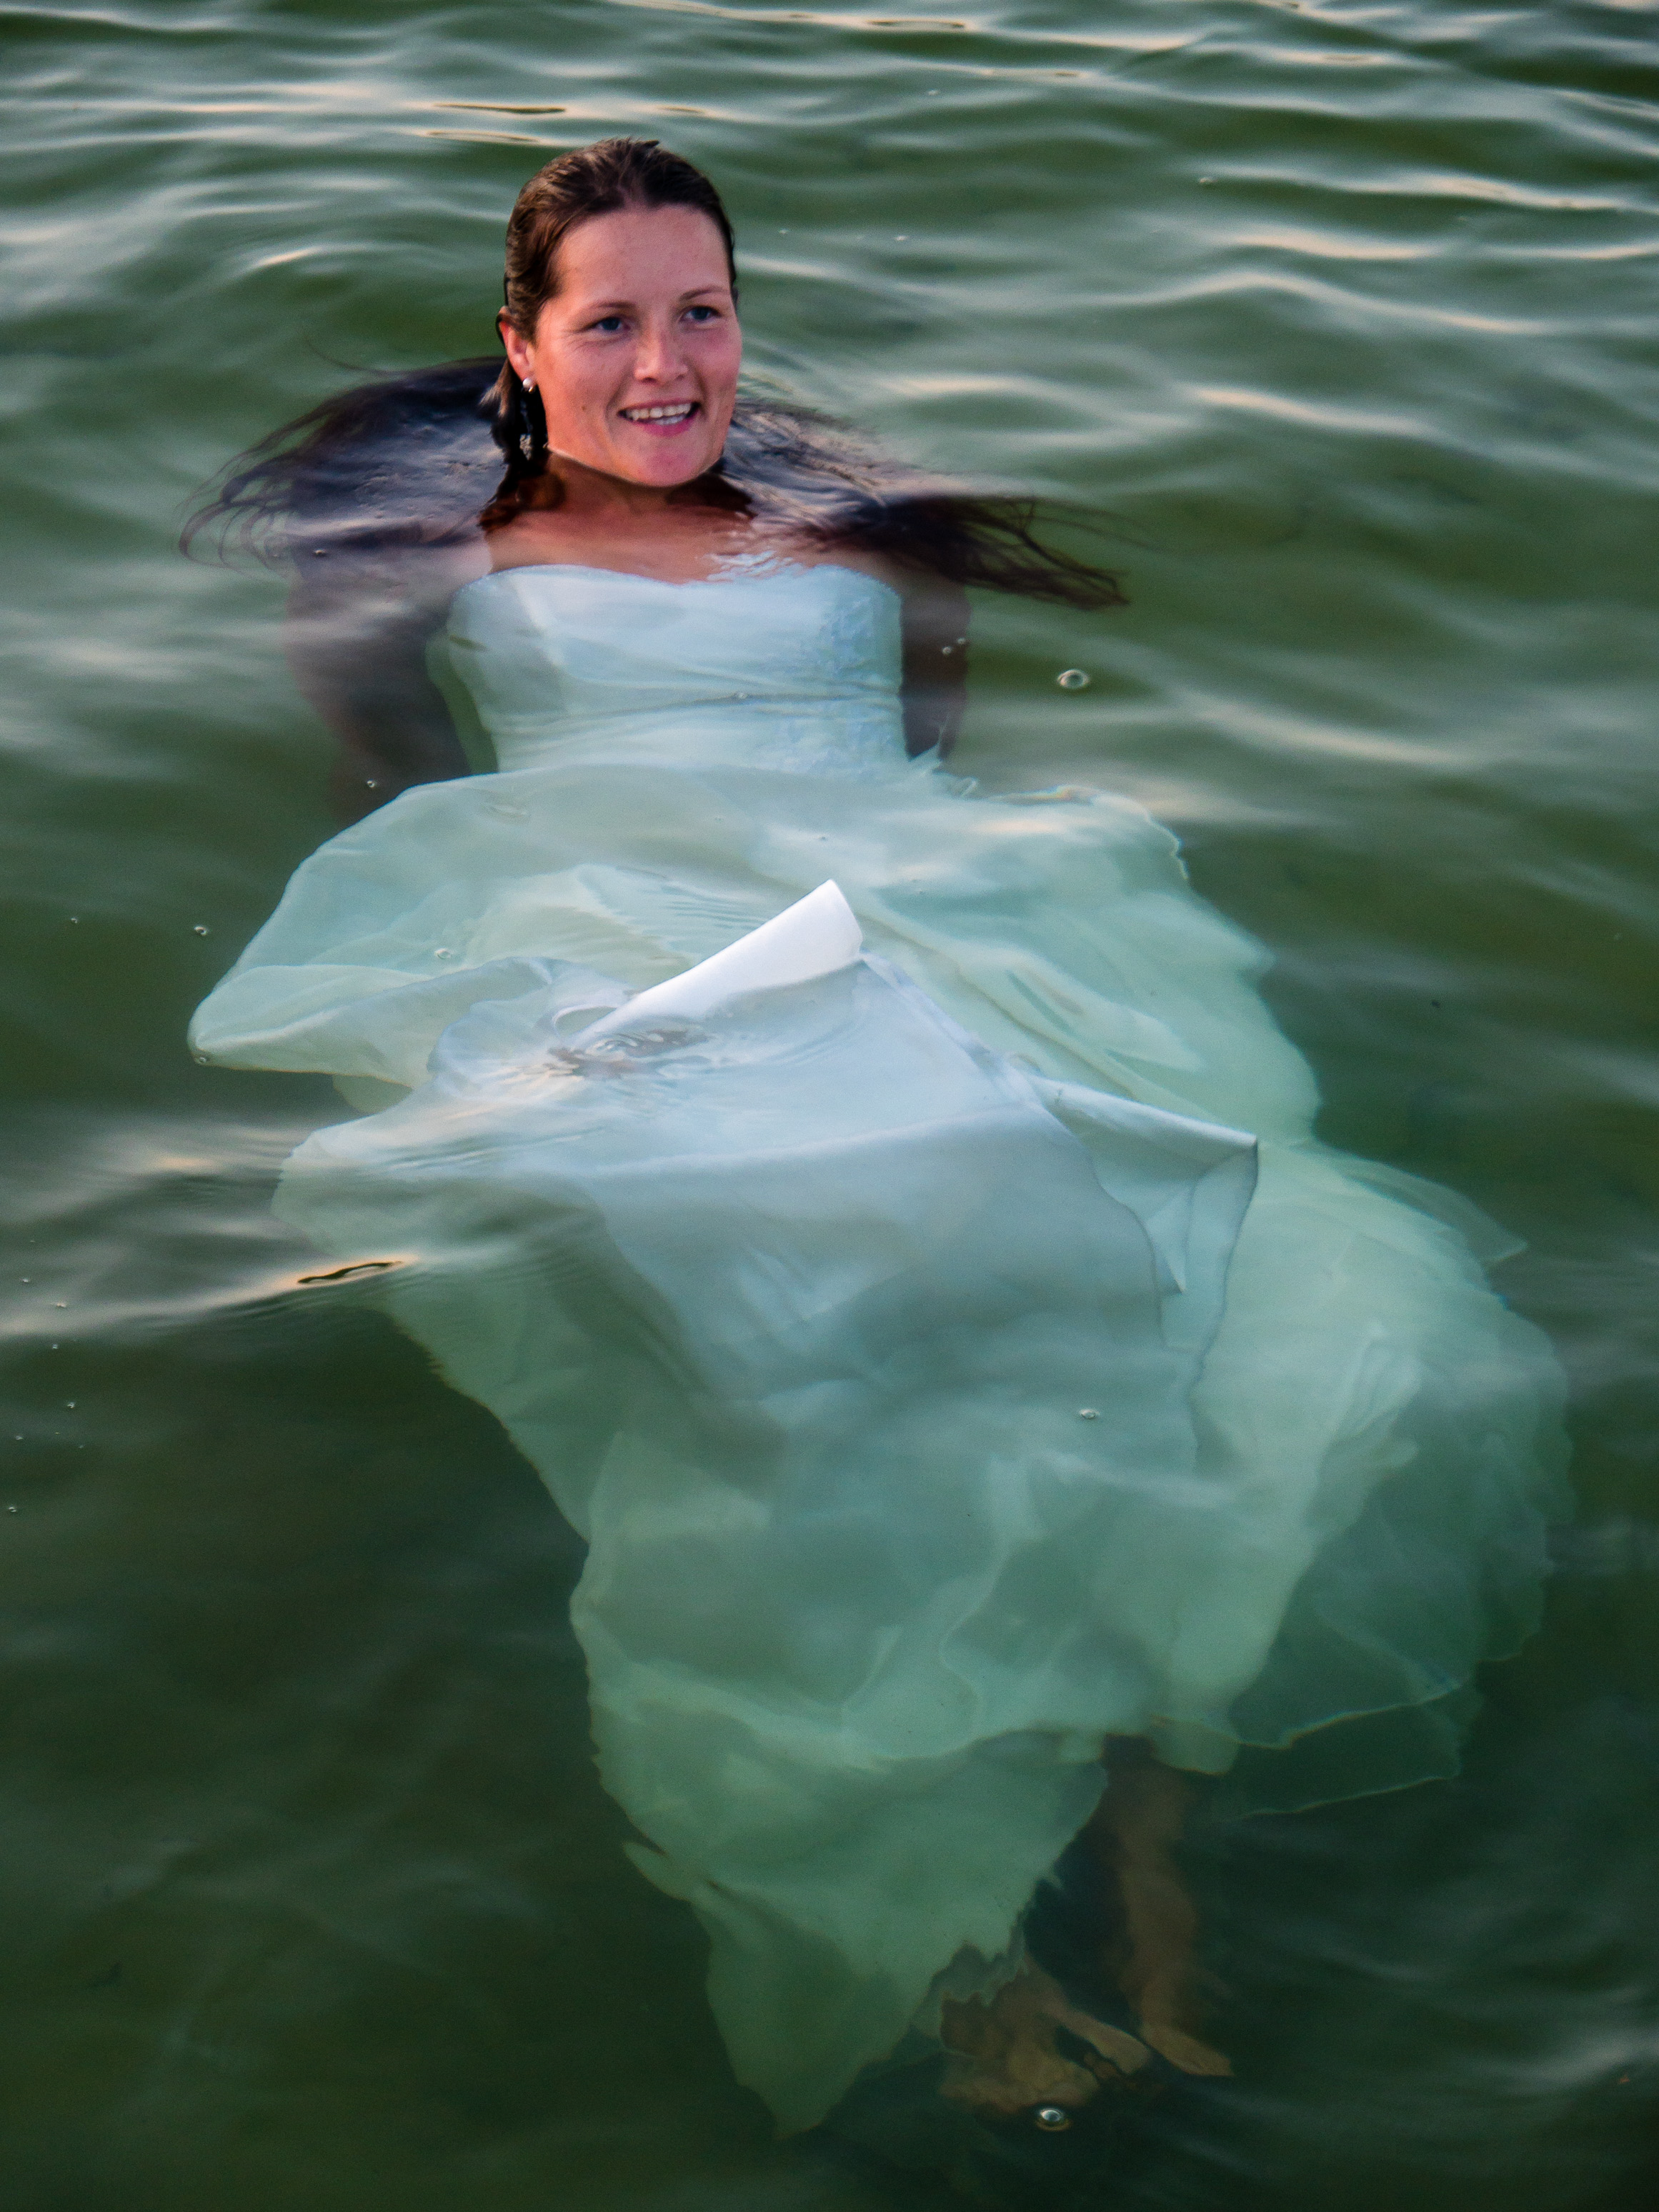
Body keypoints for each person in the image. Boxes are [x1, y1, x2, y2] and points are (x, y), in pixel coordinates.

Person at [186, 138, 1568, 2138]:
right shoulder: (441, 553)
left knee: (1284, 1285)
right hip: (629, 947)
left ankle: (1139, 1834)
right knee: (850, 1371)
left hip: (938, 926)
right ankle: (948, 1932)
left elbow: (932, 773)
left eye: (702, 311)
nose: (667, 362)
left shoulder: (853, 523)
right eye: (612, 323)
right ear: (524, 346)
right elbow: (396, 834)